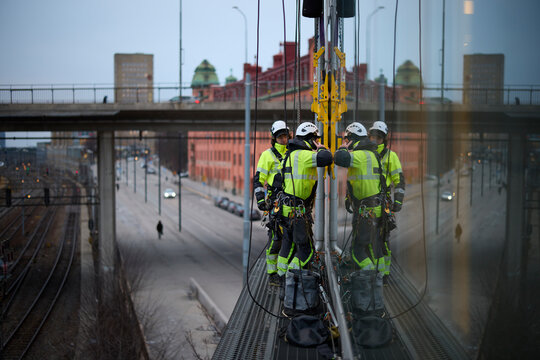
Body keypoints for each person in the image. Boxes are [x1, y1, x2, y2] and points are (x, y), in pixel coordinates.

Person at [277, 122, 333, 277]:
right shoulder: (304, 156)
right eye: (315, 139)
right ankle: (291, 276)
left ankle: (281, 277)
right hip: (297, 211)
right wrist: (321, 147)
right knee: (306, 250)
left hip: (286, 210)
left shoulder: (289, 155)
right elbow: (327, 157)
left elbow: (277, 181)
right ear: (310, 139)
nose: (316, 142)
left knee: (287, 246)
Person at [335, 122, 386, 273]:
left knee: (357, 251)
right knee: (373, 245)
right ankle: (380, 276)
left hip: (366, 210)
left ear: (352, 139)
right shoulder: (372, 154)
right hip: (375, 208)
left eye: (346, 140)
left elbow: (339, 158)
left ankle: (370, 275)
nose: (345, 143)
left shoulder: (359, 155)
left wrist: (343, 148)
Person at [253, 120, 290, 285]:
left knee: (294, 239)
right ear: (274, 138)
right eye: (280, 136)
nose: (283, 139)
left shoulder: (293, 153)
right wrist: (261, 200)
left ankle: (288, 272)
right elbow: (258, 180)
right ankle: (273, 274)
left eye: (285, 136)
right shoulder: (267, 155)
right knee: (276, 240)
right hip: (275, 204)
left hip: (292, 203)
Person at [368, 121, 405, 281]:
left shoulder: (391, 156)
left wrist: (398, 201)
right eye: (373, 137)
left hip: (382, 204)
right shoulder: (365, 155)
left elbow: (399, 180)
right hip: (366, 203)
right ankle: (368, 271)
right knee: (364, 238)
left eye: (378, 138)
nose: (375, 140)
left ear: (383, 139)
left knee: (382, 240)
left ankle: (383, 274)